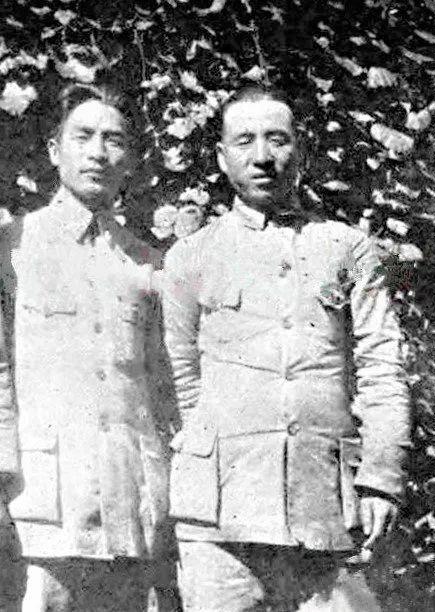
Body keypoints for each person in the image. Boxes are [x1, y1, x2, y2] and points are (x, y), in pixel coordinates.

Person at [162, 85, 411, 611]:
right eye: (245, 141)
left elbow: (382, 367)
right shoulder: (191, 256)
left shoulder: (346, 247)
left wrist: (381, 480)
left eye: (277, 140)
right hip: (219, 518)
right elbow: (181, 376)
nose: (262, 157)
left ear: (301, 150)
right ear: (221, 157)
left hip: (326, 506)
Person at [2, 83, 174, 611]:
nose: (98, 152)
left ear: (131, 161)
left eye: (114, 140)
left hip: (132, 509)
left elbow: (164, 389)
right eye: (83, 136)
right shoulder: (14, 249)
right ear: (55, 151)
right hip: (43, 509)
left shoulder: (147, 264)